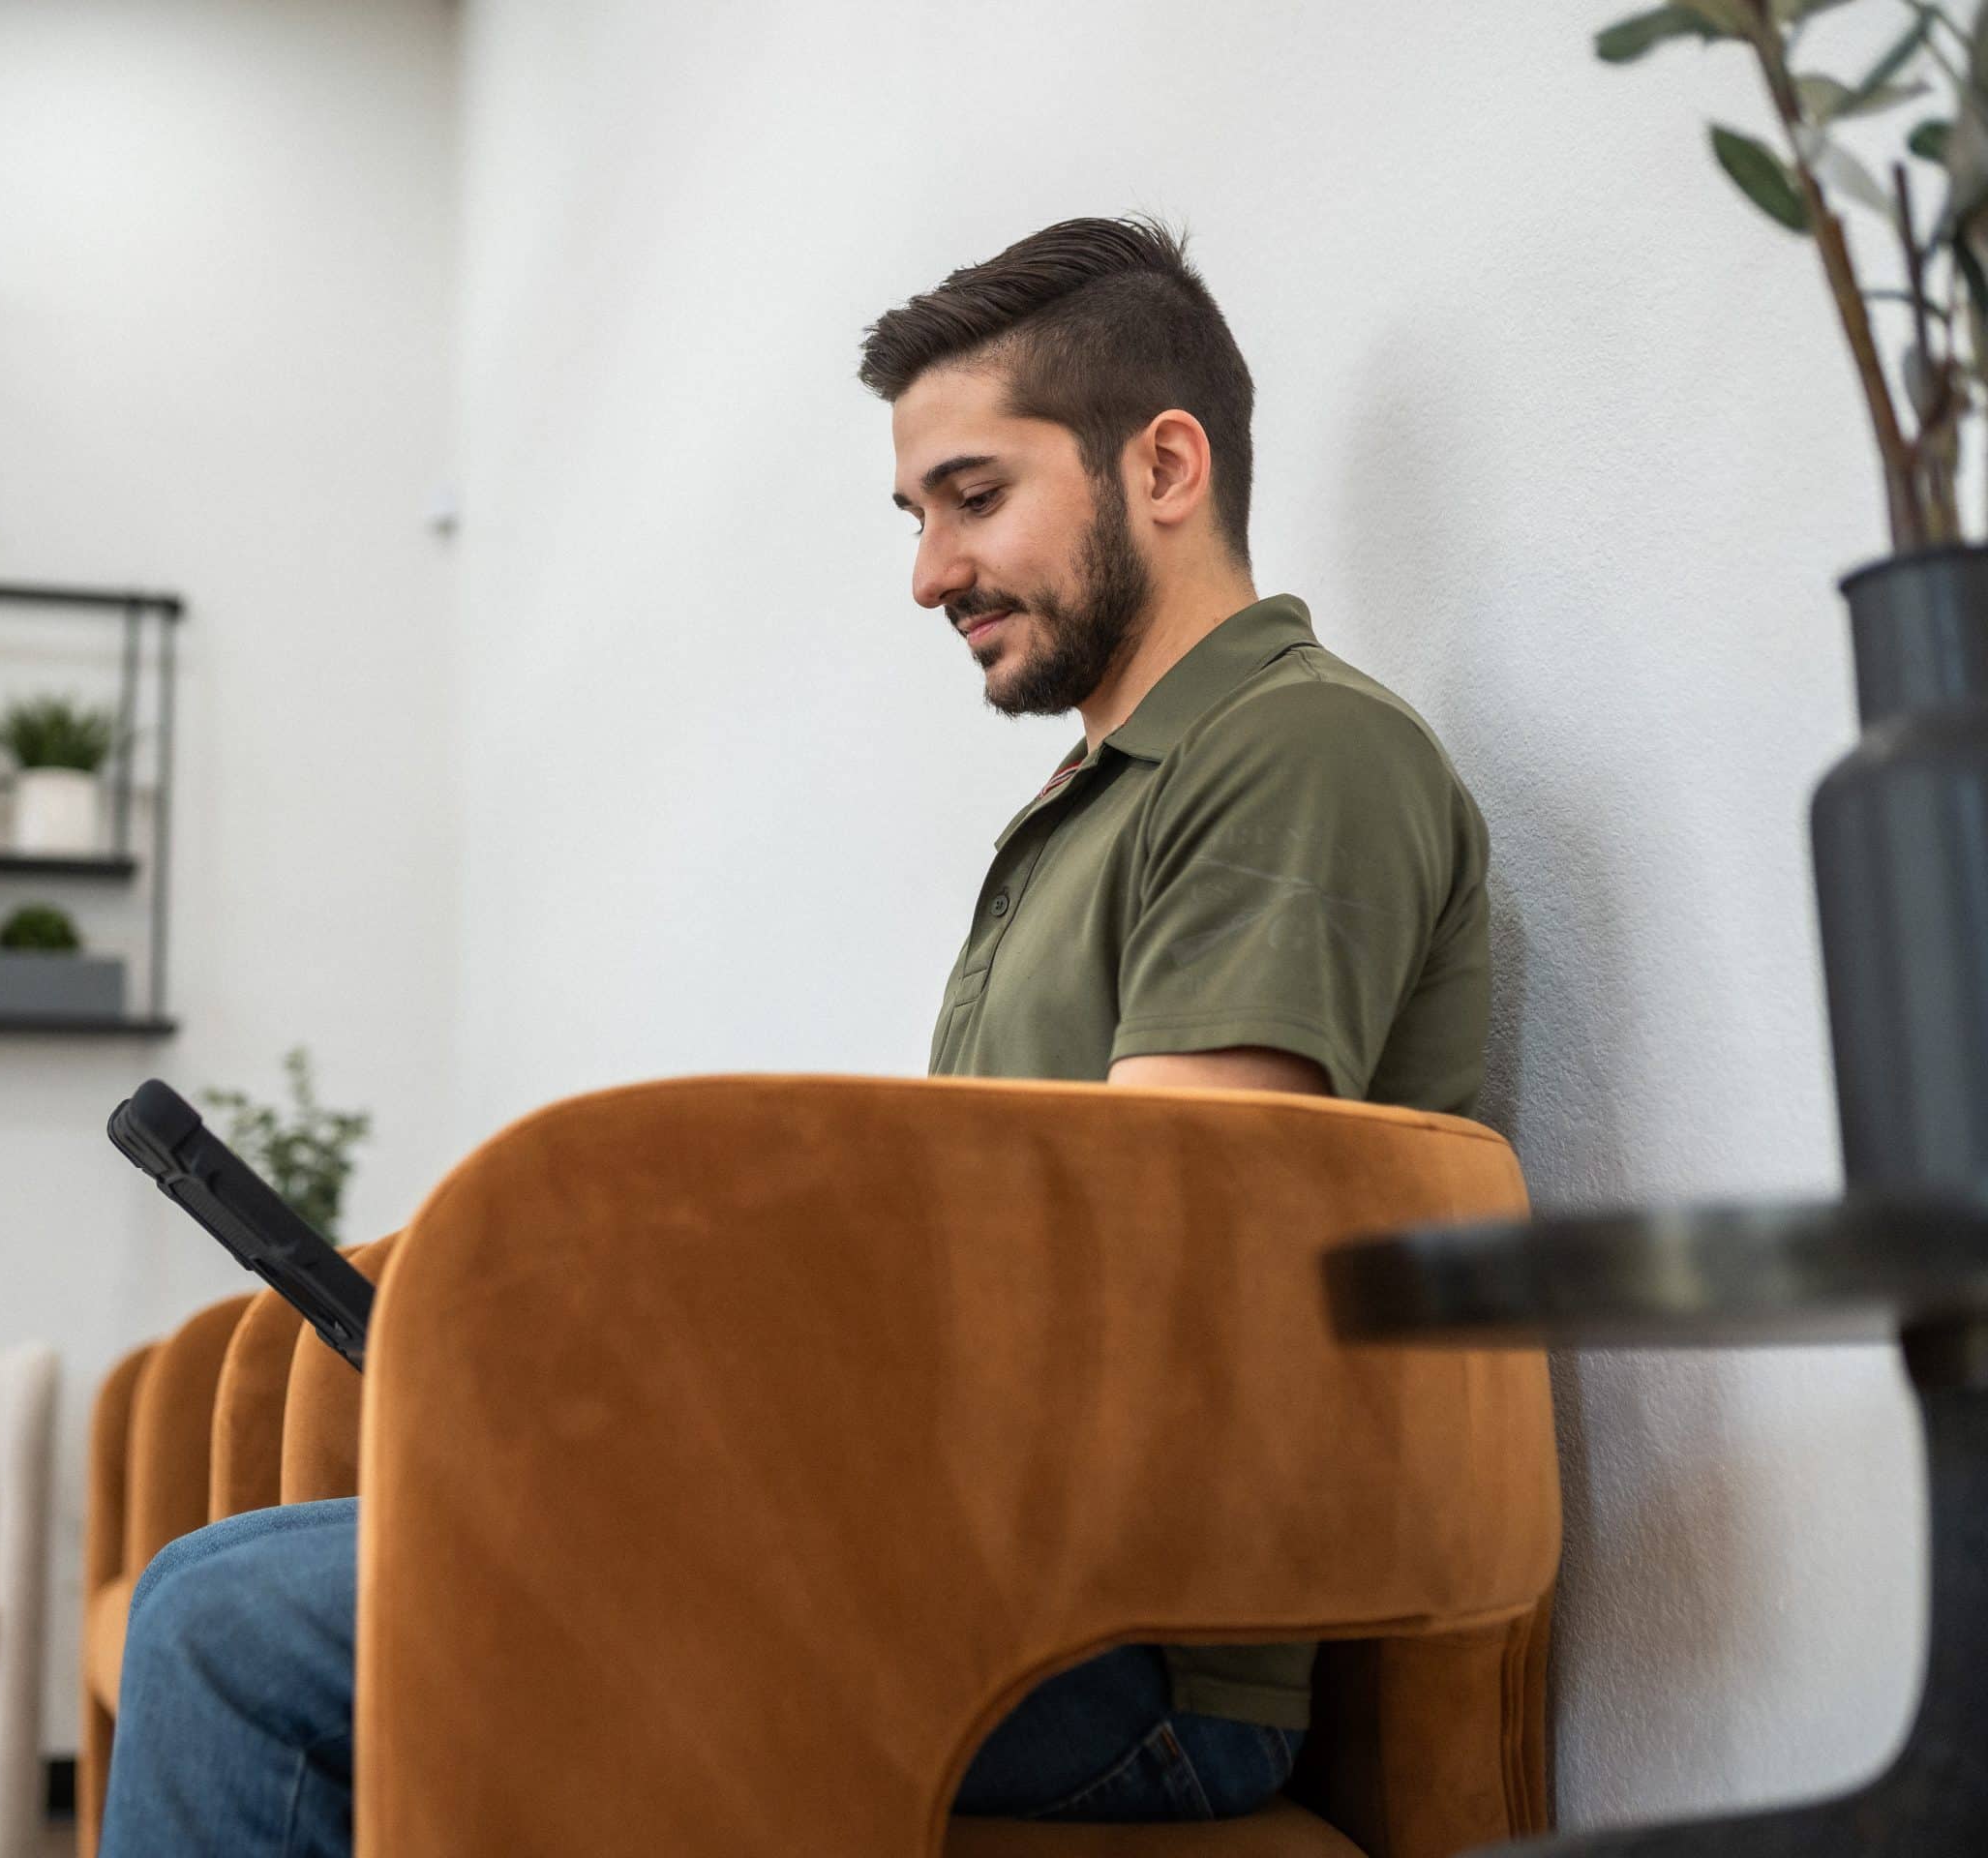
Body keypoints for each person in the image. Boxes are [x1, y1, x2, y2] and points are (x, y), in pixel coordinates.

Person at [98, 214, 1491, 1853]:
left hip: (1122, 1643)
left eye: (974, 497)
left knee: (224, 1624)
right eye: (916, 516)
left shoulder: (1297, 750)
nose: (927, 572)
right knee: (278, 1579)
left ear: (1166, 465)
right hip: (973, 1579)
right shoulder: (1091, 810)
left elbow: (1148, 1280)